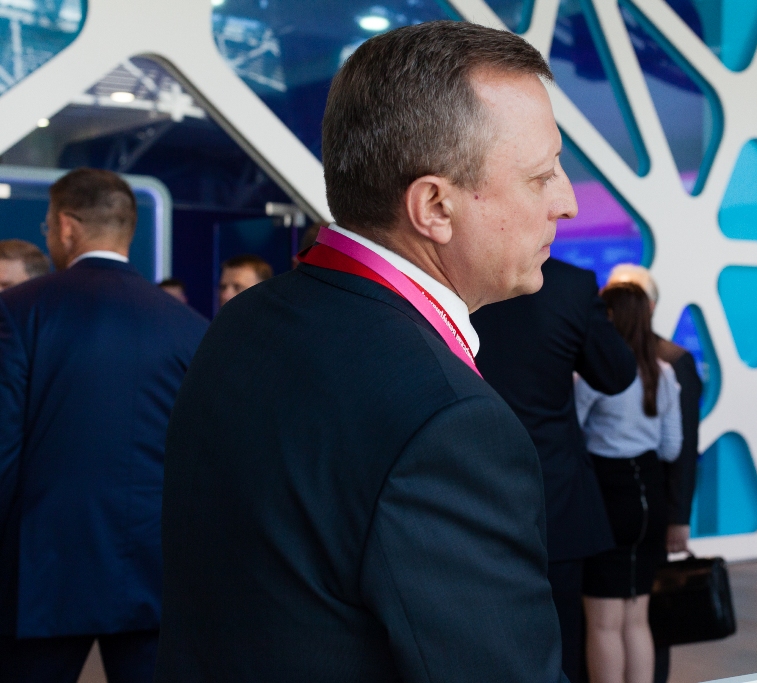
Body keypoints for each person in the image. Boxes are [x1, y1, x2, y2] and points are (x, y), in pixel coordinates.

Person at [155, 22, 576, 682]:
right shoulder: (449, 423)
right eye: (541, 175)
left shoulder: (246, 320)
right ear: (434, 206)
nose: (567, 201)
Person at [0, 168, 208, 683]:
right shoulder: (191, 327)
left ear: (65, 227)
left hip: (44, 568)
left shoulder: (19, 311)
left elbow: (3, 445)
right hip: (156, 569)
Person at [471, 258, 637, 683]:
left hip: (463, 488)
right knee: (558, 642)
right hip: (553, 496)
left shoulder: (454, 270)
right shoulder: (570, 285)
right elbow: (617, 374)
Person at [576, 283, 683, 683]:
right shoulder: (664, 373)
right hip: (650, 494)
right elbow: (672, 448)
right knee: (637, 619)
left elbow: (572, 431)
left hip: (607, 494)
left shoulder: (594, 375)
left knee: (603, 622)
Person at [605, 264, 703, 683]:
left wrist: (679, 516)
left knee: (645, 610)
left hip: (650, 501)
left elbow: (683, 449)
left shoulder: (673, 361)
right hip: (628, 501)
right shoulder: (597, 354)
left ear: (650, 305)